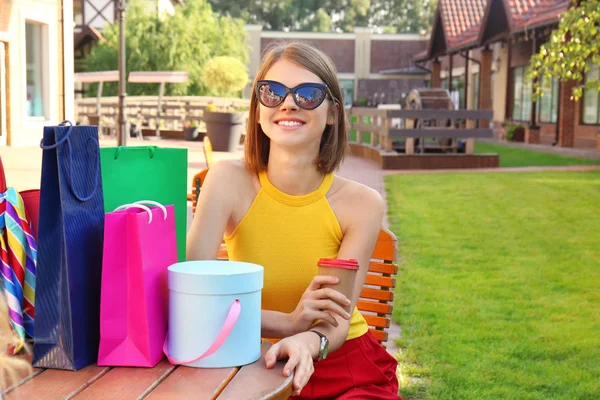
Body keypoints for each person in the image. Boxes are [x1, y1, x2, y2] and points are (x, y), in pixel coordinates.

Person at [187, 41, 400, 399]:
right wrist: (286, 323)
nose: (288, 103)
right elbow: (191, 299)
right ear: (257, 111)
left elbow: (336, 319)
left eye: (308, 94)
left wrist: (306, 338)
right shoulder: (225, 181)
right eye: (272, 93)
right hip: (250, 361)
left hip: (340, 364)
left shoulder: (362, 204)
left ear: (332, 113)